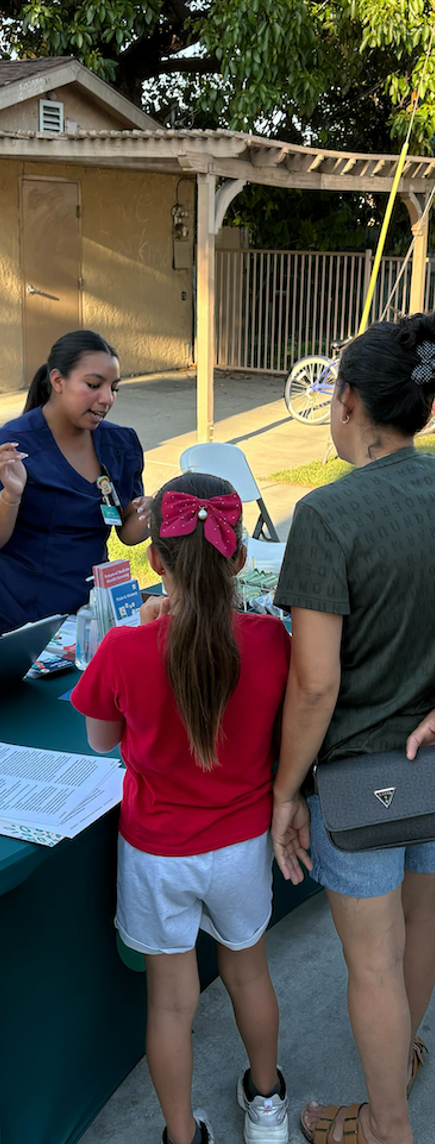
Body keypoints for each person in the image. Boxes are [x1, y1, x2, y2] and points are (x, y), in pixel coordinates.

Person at [72, 473, 292, 1144]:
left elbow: (102, 739)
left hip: (158, 853)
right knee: (248, 974)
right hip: (242, 846)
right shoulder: (273, 642)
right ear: (240, 560)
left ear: (155, 559)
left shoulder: (124, 648)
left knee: (170, 1004)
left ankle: (179, 1134)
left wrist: (143, 636)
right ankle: (267, 1105)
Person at [271, 313, 435, 1144]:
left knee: (373, 964)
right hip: (433, 771)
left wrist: (284, 791)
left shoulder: (328, 515)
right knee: (423, 929)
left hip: (362, 785)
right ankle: (399, 1058)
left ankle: (386, 1127)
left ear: (344, 402)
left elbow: (314, 683)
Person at [0, 330, 151, 642]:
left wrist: (148, 512)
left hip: (88, 613)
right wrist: (11, 496)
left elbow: (128, 533)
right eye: (93, 385)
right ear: (57, 380)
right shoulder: (12, 444)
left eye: (114, 388)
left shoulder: (121, 443)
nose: (107, 398)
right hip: (14, 616)